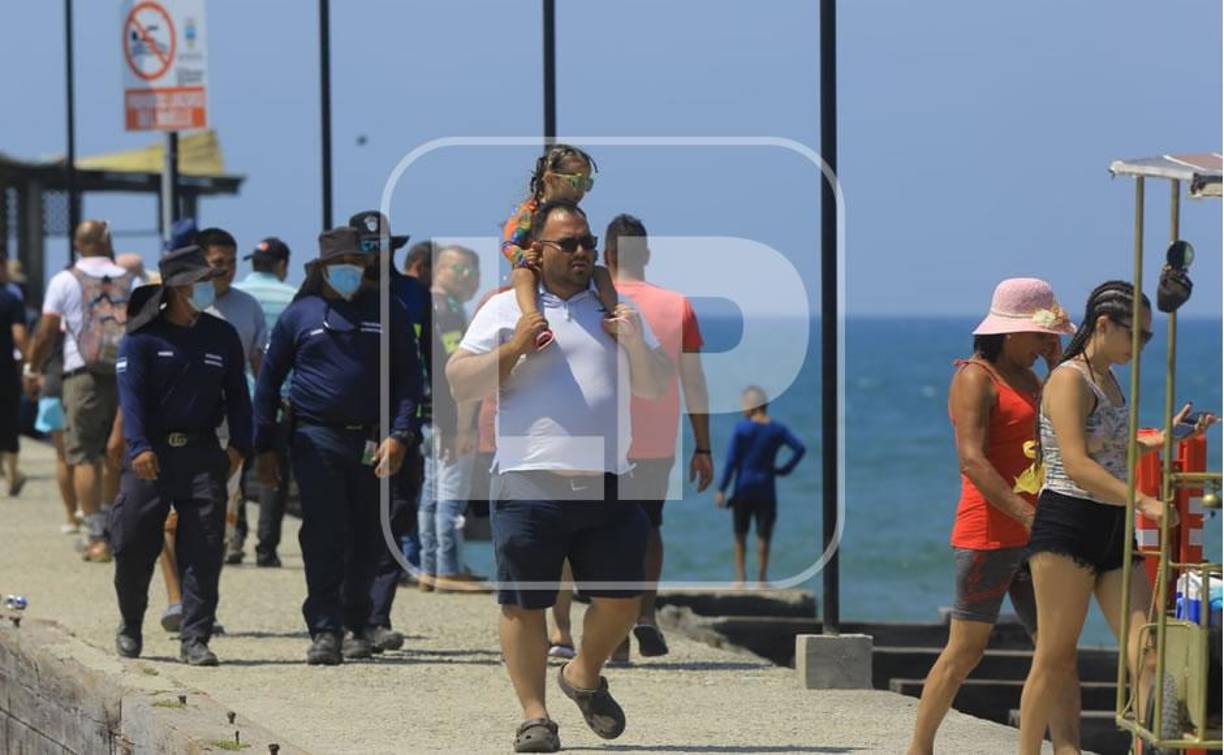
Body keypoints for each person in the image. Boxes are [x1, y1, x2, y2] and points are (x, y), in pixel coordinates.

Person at [447, 200, 672, 752]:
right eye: (567, 243)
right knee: (524, 606)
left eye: (586, 243)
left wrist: (635, 344)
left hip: (608, 481)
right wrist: (516, 347)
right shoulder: (506, 309)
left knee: (622, 601)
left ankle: (582, 675)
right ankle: (535, 715)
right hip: (528, 481)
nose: (580, 252)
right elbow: (460, 381)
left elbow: (654, 385)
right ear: (538, 251)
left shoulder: (615, 310)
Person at [1017, 281, 1217, 754]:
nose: (1142, 346)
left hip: (1110, 526)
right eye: (1138, 335)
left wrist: (1163, 438)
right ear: (1104, 325)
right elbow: (1076, 463)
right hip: (1067, 523)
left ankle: (1153, 746)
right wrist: (1144, 502)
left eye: (1149, 337)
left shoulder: (1109, 379)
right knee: (1053, 656)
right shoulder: (1069, 379)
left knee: (1147, 649)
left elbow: (1106, 449)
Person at [906, 278, 1079, 755]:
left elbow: (1067, 425)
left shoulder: (1034, 378)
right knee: (966, 650)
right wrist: (1027, 517)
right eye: (1039, 336)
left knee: (1057, 650)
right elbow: (972, 459)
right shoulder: (975, 378)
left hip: (1037, 532)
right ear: (1008, 332)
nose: (1044, 342)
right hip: (989, 532)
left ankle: (1067, 747)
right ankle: (919, 746)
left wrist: (1055, 362)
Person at [549, 214, 714, 661]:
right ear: (647, 255)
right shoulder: (678, 305)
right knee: (649, 525)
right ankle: (645, 613)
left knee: (594, 534)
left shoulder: (594, 300)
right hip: (657, 439)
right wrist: (703, 445)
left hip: (598, 437)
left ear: (605, 255)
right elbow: (693, 380)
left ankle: (607, 634)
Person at [253, 227, 419, 665]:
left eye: (354, 265)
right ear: (323, 269)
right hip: (315, 438)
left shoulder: (390, 311)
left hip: (373, 439)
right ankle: (325, 629)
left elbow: (409, 381)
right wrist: (264, 445)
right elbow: (268, 383)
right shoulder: (300, 314)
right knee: (324, 534)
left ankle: (358, 623)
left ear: (365, 267)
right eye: (337, 266)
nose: (347, 273)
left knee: (368, 534)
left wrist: (400, 434)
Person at [110, 245, 252, 665]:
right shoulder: (141, 338)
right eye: (200, 281)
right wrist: (138, 447)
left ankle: (195, 637)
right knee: (133, 543)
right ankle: (131, 623)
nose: (209, 287)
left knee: (205, 548)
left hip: (203, 453)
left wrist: (240, 446)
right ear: (176, 288)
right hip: (149, 456)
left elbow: (239, 396)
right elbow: (130, 400)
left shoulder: (220, 335)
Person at [26, 220, 134, 562]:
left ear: (76, 245)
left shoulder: (64, 280)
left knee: (84, 455)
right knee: (114, 453)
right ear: (107, 241)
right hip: (125, 374)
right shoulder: (131, 279)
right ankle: (115, 530)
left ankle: (96, 536)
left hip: (81, 374)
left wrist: (33, 368)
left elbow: (45, 332)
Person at [347, 210, 428, 651]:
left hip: (402, 423)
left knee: (395, 517)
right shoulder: (336, 295)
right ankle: (345, 618)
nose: (374, 254)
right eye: (365, 246)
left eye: (380, 246)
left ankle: (376, 618)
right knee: (347, 521)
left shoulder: (415, 295)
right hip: (346, 426)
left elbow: (431, 357)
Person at [194, 227, 267, 565]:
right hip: (187, 421)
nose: (227, 268)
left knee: (224, 505)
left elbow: (259, 366)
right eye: (218, 261)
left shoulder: (248, 307)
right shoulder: (183, 302)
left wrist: (265, 416)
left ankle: (205, 595)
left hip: (231, 423)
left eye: (232, 261)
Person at [502, 144, 619, 351]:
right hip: (534, 268)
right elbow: (508, 244)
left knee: (601, 273)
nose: (581, 190)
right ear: (550, 179)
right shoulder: (530, 212)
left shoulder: (574, 214)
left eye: (587, 183)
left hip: (564, 272)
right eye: (576, 181)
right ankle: (535, 324)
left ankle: (616, 317)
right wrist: (522, 256)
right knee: (522, 275)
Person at [418, 243, 485, 593]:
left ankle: (428, 568)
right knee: (451, 497)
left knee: (430, 496)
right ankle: (449, 567)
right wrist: (462, 425)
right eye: (463, 271)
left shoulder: (422, 306)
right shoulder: (449, 312)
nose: (470, 279)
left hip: (425, 417)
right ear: (443, 269)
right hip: (447, 419)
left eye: (473, 272)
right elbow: (458, 375)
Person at [234, 236, 298, 567]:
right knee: (274, 471)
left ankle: (234, 538)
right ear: (283, 265)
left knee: (235, 470)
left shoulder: (237, 296)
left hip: (235, 396)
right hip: (278, 398)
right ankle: (266, 548)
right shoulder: (294, 298)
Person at [714, 386, 806, 585]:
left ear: (752, 405)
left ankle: (740, 579)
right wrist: (783, 470)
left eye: (743, 404)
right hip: (766, 488)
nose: (741, 409)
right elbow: (800, 448)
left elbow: (731, 462)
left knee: (740, 534)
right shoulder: (777, 429)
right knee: (764, 535)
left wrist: (721, 489)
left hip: (743, 488)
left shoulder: (742, 429)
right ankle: (762, 579)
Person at [34, 328, 78, 531]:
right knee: (92, 456)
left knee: (63, 456)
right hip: (88, 384)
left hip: (53, 385)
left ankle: (71, 518)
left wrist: (31, 371)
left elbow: (39, 340)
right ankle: (93, 513)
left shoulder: (54, 308)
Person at [0, 255, 29, 496]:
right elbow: (19, 335)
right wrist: (30, 363)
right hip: (5, 370)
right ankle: (13, 476)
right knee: (9, 422)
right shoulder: (11, 299)